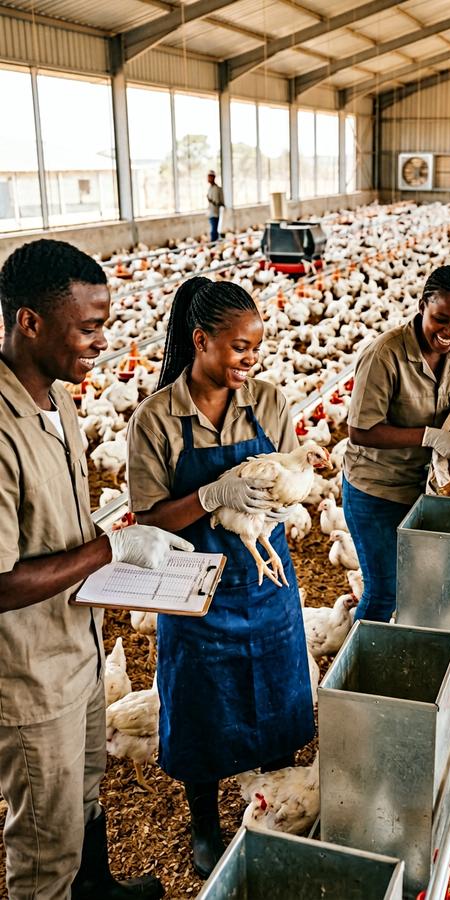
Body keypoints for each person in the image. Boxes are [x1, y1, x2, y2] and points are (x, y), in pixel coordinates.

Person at [0, 239, 192, 899]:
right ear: (29, 322)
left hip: (78, 646)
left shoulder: (59, 397)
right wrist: (112, 551)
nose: (102, 341)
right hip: (30, 676)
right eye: (89, 327)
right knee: (45, 846)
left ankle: (98, 890)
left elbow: (57, 526)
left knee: (84, 793)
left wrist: (123, 542)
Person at [126, 276, 314, 879]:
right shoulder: (155, 419)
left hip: (266, 583)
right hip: (192, 593)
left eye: (257, 347)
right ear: (200, 340)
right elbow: (151, 518)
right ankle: (205, 822)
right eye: (239, 347)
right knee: (202, 710)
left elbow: (293, 470)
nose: (251, 359)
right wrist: (211, 494)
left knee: (280, 703)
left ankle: (278, 803)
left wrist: (287, 495)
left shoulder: (270, 401)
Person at [342, 265, 450, 623]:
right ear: (422, 307)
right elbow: (360, 430)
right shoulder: (385, 355)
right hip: (375, 490)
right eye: (441, 319)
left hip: (421, 489)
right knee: (384, 590)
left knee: (414, 584)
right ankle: (359, 671)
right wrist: (429, 437)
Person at [206, 170, 224, 243]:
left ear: (213, 178)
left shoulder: (216, 189)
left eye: (210, 177)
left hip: (215, 213)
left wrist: (210, 200)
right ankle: (214, 243)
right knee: (213, 230)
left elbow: (217, 202)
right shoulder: (210, 188)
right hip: (211, 212)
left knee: (214, 231)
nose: (208, 179)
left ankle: (214, 243)